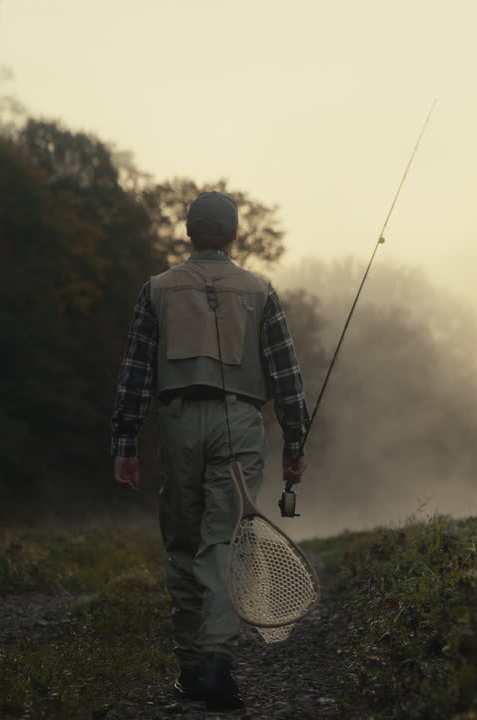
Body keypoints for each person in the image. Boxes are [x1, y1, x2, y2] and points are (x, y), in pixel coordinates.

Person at [110, 190, 309, 710]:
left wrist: (125, 442)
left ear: (189, 232)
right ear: (234, 234)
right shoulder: (260, 290)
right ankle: (217, 663)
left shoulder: (156, 290)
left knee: (181, 543)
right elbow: (286, 375)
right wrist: (294, 441)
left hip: (176, 424)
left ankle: (191, 668)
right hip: (240, 426)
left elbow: (134, 374)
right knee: (222, 543)